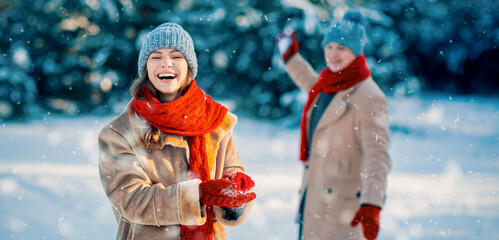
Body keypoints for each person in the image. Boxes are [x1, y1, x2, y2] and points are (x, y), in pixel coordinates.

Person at [98, 22, 256, 240]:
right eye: (156, 57)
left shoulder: (216, 122)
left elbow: (232, 172)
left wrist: (233, 198)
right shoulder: (119, 133)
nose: (166, 64)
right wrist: (196, 196)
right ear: (145, 68)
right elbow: (131, 200)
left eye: (176, 56)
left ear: (189, 66)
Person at [276, 10, 391, 240]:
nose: (333, 54)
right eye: (329, 47)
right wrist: (290, 57)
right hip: (314, 202)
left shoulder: (369, 96)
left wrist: (372, 203)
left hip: (341, 210)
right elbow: (308, 80)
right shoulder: (328, 84)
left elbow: (377, 156)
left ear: (356, 52)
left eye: (342, 48)